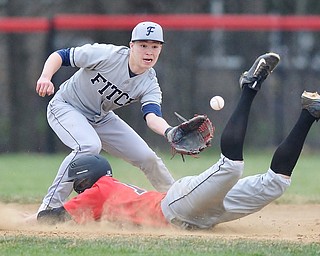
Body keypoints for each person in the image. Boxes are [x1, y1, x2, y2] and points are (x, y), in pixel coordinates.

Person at [37, 52, 320, 230]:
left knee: (231, 167)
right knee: (276, 184)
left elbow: (49, 220)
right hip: (204, 216)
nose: (79, 191)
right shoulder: (109, 190)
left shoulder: (98, 191)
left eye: (78, 185)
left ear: (85, 180)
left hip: (175, 207)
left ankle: (249, 88)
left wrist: (24, 221)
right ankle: (309, 114)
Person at [35, 21, 175, 212]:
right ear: (131, 46)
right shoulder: (107, 54)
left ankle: (179, 203)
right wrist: (45, 76)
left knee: (147, 157)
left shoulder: (149, 83)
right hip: (66, 106)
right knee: (89, 146)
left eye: (155, 46)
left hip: (100, 118)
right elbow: (60, 55)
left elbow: (152, 117)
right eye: (143, 45)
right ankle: (48, 207)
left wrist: (169, 132)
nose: (149, 51)